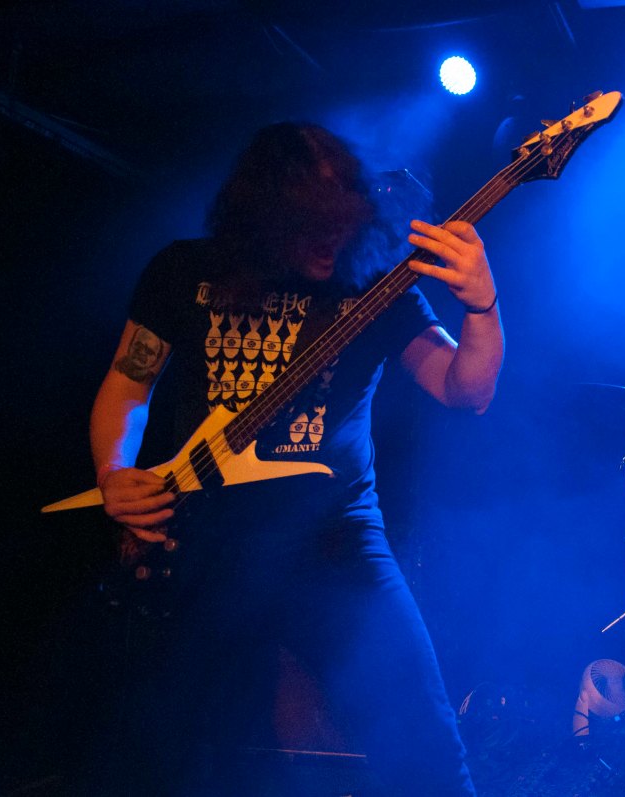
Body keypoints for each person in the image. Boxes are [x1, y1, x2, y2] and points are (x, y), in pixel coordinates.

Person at [88, 122, 502, 795]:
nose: (329, 240)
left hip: (336, 540)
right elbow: (127, 386)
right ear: (262, 215)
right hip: (203, 535)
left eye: (340, 221)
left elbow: (466, 390)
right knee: (186, 758)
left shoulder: (374, 283)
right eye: (310, 225)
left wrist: (482, 305)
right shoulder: (184, 271)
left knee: (425, 749)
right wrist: (114, 474)